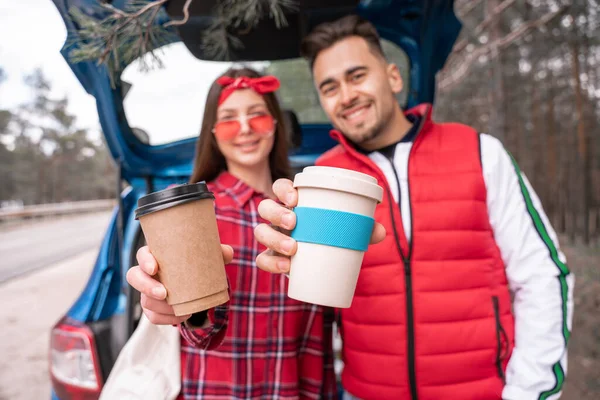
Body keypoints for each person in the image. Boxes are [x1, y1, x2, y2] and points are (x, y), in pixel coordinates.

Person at [254, 15, 574, 400]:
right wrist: (282, 250)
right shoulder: (321, 177)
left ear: (393, 77)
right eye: (330, 87)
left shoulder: (478, 152)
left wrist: (529, 392)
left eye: (357, 76)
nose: (346, 95)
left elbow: (542, 276)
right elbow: (311, 308)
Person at [126, 66, 337, 399]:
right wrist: (174, 304)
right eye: (228, 119)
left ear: (276, 124)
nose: (244, 129)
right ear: (212, 132)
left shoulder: (309, 209)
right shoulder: (193, 214)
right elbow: (198, 332)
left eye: (258, 115)